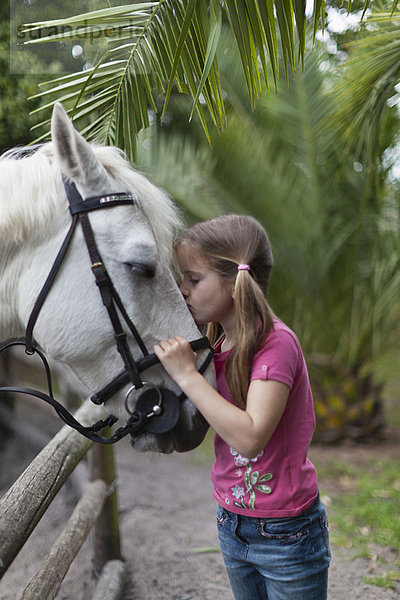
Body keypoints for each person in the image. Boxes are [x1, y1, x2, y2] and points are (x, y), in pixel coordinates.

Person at [154, 214, 331, 600]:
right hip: (232, 521)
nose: (182, 290)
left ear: (235, 282)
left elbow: (250, 437)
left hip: (286, 532)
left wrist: (188, 377)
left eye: (193, 279)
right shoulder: (216, 342)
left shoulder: (275, 344)